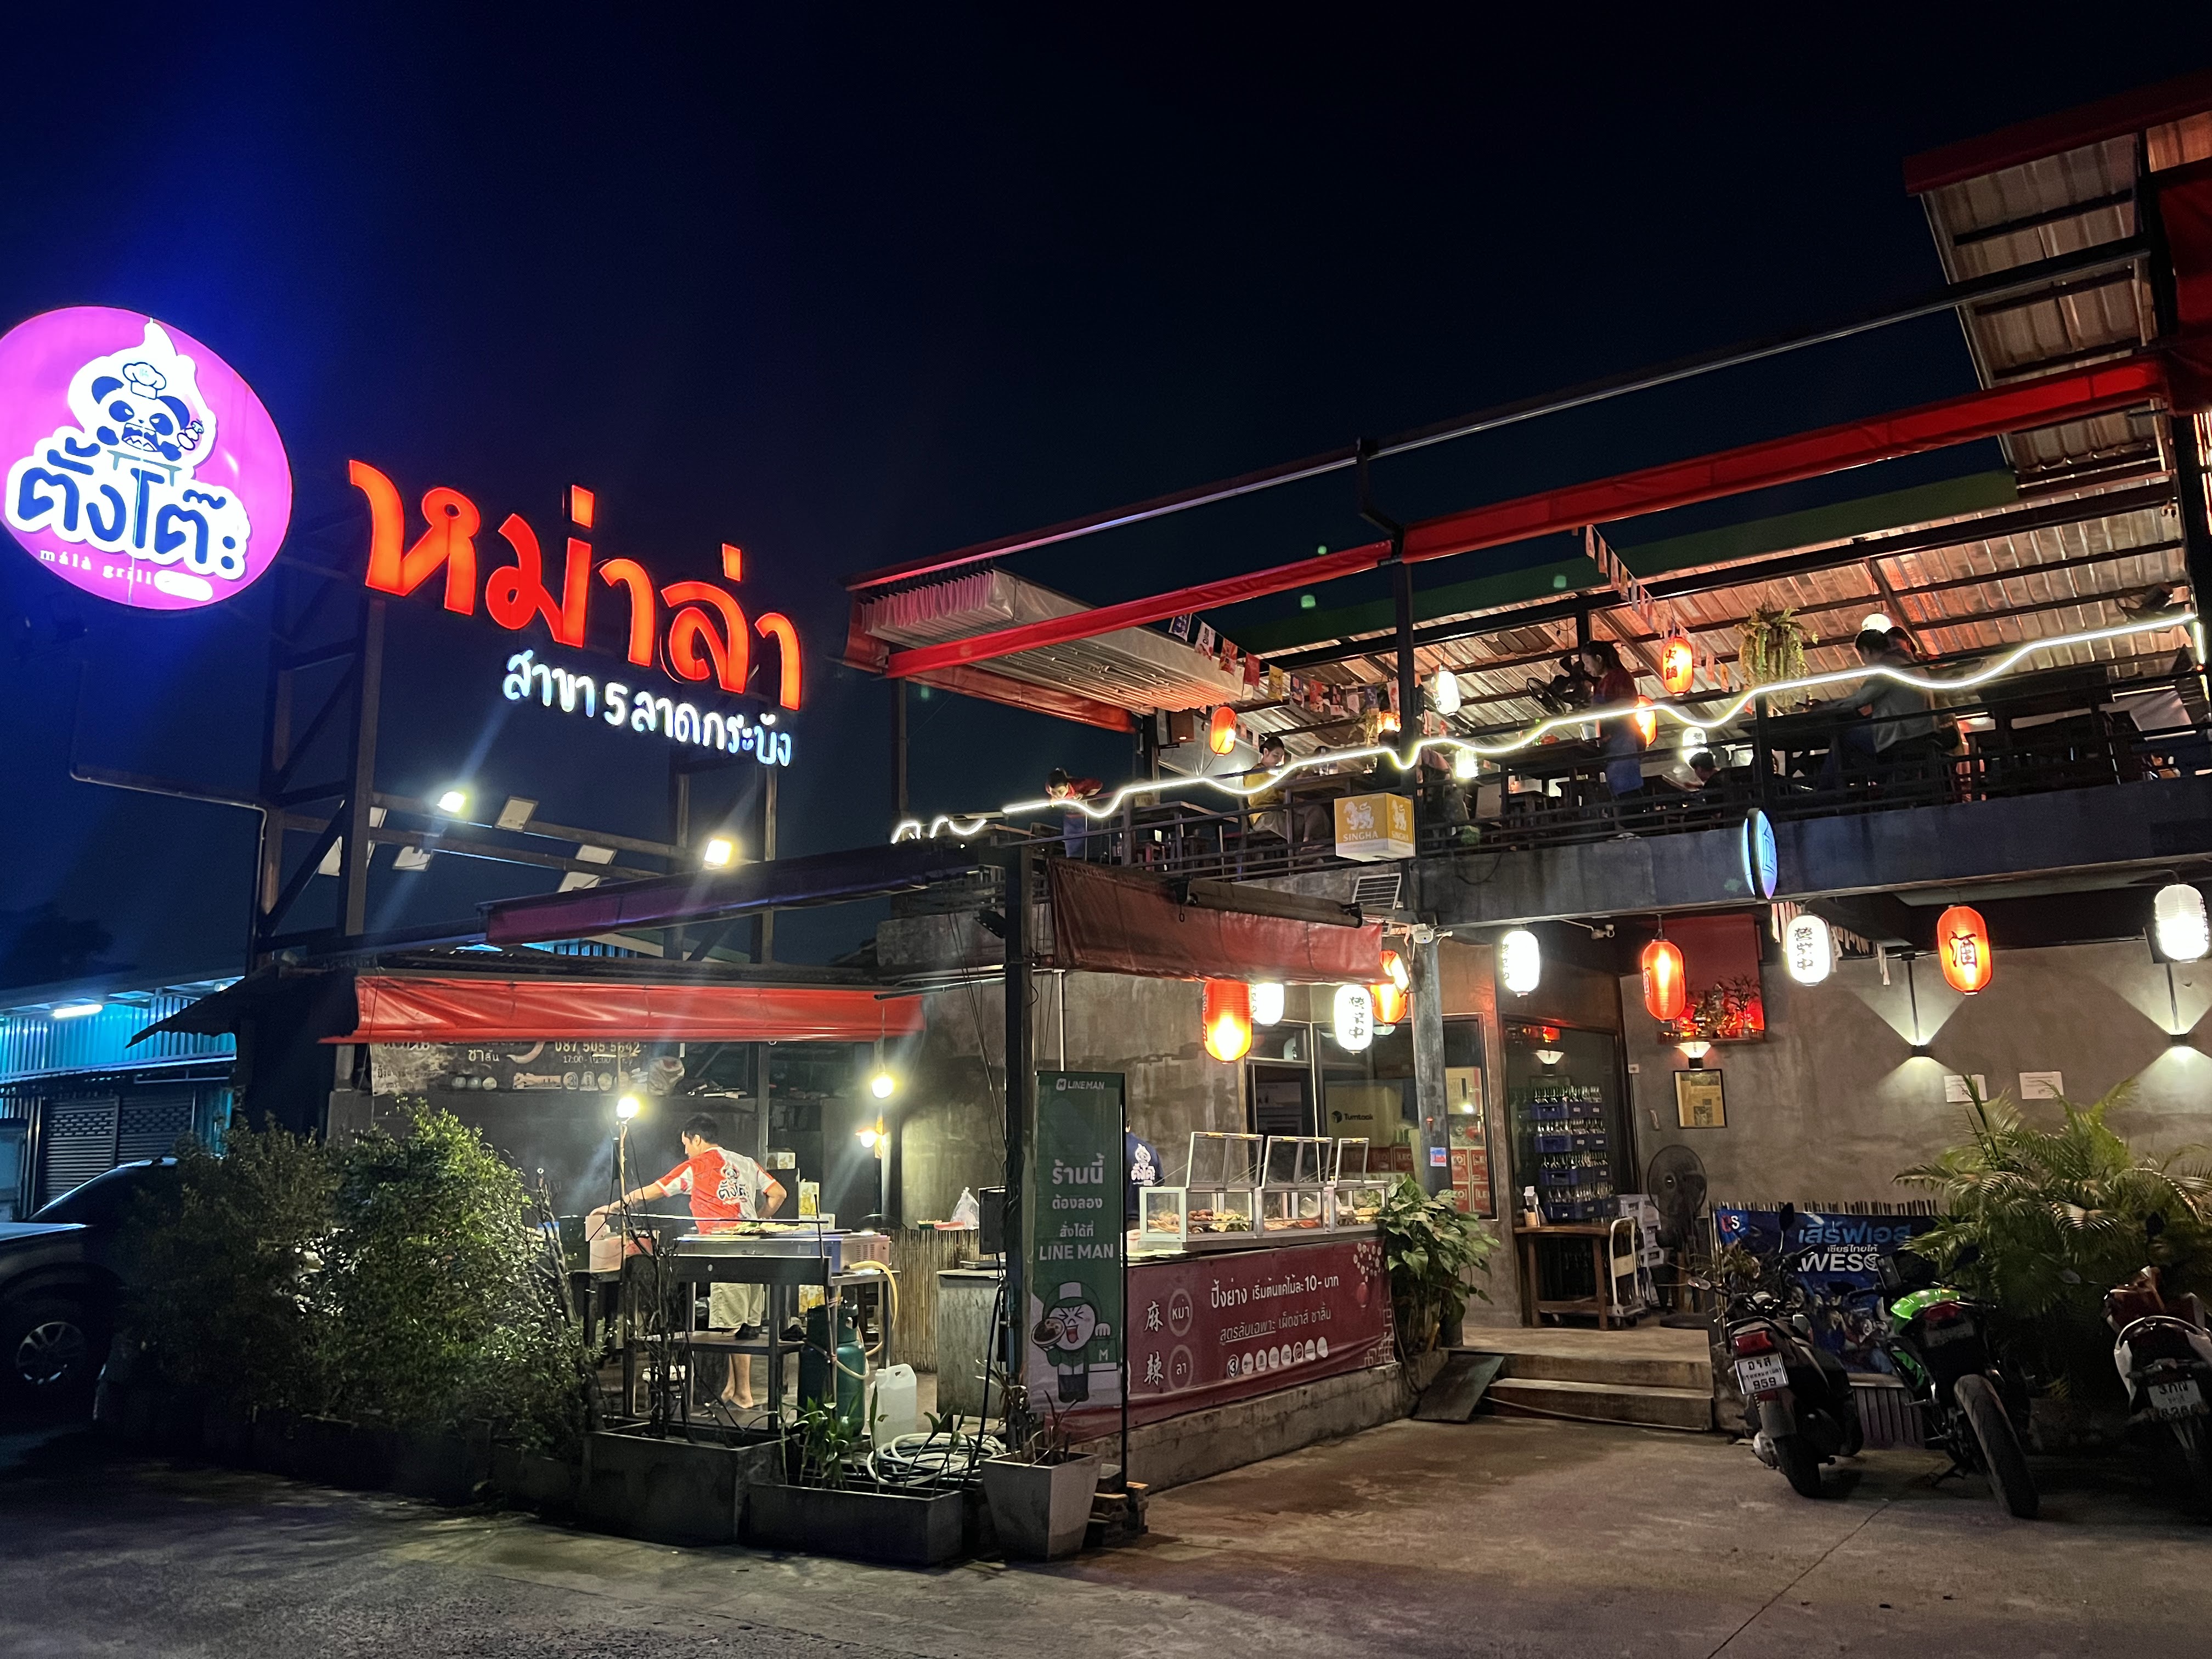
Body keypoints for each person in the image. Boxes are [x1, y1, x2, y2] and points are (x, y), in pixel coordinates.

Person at [592, 1113, 786, 1411]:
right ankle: (732, 1388)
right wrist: (758, 1220)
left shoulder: (697, 1166)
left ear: (697, 1139)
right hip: (755, 1249)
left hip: (726, 1251)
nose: (685, 1151)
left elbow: (655, 1190)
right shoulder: (745, 1162)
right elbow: (778, 1194)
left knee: (732, 1326)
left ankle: (744, 1394)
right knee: (748, 1324)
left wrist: (615, 1206)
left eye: (686, 1144)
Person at [1816, 629, 1937, 788]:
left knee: (1843, 739)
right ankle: (1887, 781)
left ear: (1866, 650)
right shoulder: (1907, 663)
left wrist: (1826, 706)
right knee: (1854, 738)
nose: (1864, 661)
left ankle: (1826, 792)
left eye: (1862, 655)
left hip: (1904, 732)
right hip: (1923, 729)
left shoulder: (1887, 667)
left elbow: (1860, 699)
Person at [1576, 641, 1646, 813]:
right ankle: (1632, 821)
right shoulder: (1603, 683)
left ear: (1599, 659)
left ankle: (1636, 821)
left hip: (1624, 736)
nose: (1586, 668)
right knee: (1619, 784)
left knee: (1625, 783)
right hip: (1613, 740)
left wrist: (1597, 710)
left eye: (1587, 663)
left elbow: (1628, 703)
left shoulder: (1619, 676)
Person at [1045, 767, 1104, 857]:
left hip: (1090, 814)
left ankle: (1094, 858)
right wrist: (1053, 798)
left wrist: (1084, 795)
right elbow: (1054, 795)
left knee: (1092, 845)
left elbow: (1099, 785)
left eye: (1060, 791)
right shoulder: (1048, 788)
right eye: (1054, 792)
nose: (1058, 795)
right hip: (1071, 817)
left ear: (1067, 786)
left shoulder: (1079, 785)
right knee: (1072, 846)